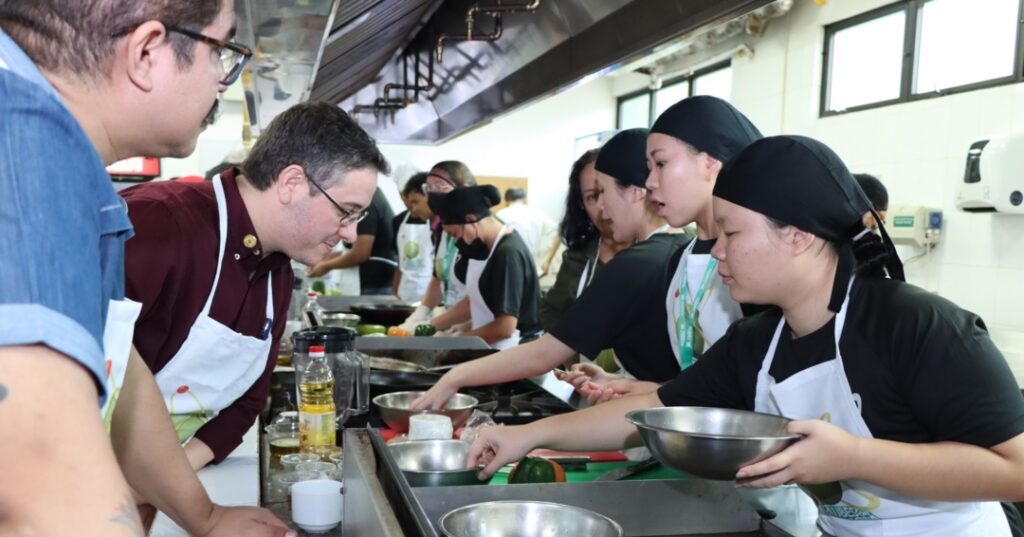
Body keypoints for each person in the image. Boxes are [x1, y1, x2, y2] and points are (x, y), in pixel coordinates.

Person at [468, 135, 1024, 537]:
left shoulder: (919, 327)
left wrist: (855, 456)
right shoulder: (758, 342)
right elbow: (651, 412)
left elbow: (1016, 471)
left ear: (800, 236)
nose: (717, 250)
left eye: (732, 232)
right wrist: (526, 436)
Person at [0, 0, 293, 534]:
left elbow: (121, 367)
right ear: (147, 52)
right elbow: (47, 494)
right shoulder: (20, 149)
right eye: (221, 51)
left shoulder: (78, 173)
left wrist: (203, 516)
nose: (222, 81)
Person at [123, 101, 388, 469]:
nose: (350, 233)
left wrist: (170, 480)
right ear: (292, 183)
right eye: (345, 211)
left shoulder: (276, 272)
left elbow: (247, 402)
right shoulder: (156, 224)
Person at [412, 129, 687, 410]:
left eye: (602, 192)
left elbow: (543, 354)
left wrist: (455, 376)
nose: (601, 207)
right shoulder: (679, 246)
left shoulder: (637, 262)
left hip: (649, 417)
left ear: (636, 192)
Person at [562, 95, 762, 404]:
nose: (651, 181)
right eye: (648, 167)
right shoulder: (679, 260)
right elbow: (698, 380)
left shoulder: (755, 262)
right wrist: (630, 385)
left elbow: (754, 387)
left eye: (661, 164)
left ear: (709, 162)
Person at [425, 185, 542, 348]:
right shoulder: (487, 249)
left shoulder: (508, 253)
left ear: (471, 219)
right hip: (495, 348)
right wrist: (437, 325)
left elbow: (505, 327)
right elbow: (478, 302)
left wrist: (460, 341)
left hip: (516, 350)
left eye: (455, 235)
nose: (458, 244)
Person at [539, 149, 630, 332]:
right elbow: (552, 311)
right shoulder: (580, 256)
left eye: (606, 192)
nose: (602, 205)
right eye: (592, 197)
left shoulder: (667, 247)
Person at [399, 160, 478, 329]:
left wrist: (430, 325)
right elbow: (438, 275)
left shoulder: (480, 238)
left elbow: (478, 299)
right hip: (454, 320)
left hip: (477, 328)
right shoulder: (443, 230)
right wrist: (422, 312)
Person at [307, 186, 397, 295]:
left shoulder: (368, 202)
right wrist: (328, 257)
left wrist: (326, 266)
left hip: (373, 285)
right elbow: (357, 249)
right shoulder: (367, 197)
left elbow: (361, 253)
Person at [391, 172, 435, 302]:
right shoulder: (399, 221)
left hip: (430, 293)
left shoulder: (439, 225)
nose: (413, 208)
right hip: (404, 293)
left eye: (416, 201)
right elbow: (401, 261)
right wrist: (394, 291)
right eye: (405, 198)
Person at [496, 187, 560, 276]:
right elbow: (560, 232)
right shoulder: (538, 214)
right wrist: (548, 262)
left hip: (506, 269)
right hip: (531, 270)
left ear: (506, 200)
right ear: (524, 199)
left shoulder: (500, 215)